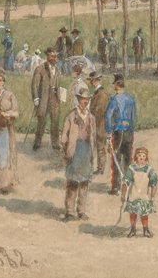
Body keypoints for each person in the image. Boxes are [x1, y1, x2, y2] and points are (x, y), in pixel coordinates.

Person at [60, 87, 97, 221]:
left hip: (86, 151)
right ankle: (70, 211)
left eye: (87, 100)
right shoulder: (71, 116)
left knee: (85, 182)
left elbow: (93, 136)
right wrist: (65, 149)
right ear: (78, 100)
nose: (85, 102)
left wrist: (93, 153)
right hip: (75, 151)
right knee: (72, 182)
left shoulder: (91, 117)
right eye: (83, 100)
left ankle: (81, 211)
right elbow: (64, 135)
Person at [104, 75, 137, 193]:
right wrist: (131, 129)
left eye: (114, 84)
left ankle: (116, 187)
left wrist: (108, 132)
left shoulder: (114, 100)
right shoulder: (131, 99)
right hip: (128, 132)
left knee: (116, 158)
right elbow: (133, 117)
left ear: (117, 85)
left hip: (118, 132)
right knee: (128, 159)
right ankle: (128, 185)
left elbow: (108, 117)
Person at [121, 146, 158, 238]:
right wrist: (123, 193)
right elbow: (126, 181)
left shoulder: (149, 169)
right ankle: (133, 229)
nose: (141, 157)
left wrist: (152, 195)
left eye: (143, 156)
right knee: (133, 213)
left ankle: (145, 230)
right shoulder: (132, 168)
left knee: (144, 214)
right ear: (135, 157)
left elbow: (154, 182)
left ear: (146, 158)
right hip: (133, 195)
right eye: (139, 155)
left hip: (144, 196)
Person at [31, 48, 61, 150]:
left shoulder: (57, 69)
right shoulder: (40, 68)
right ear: (47, 56)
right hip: (43, 98)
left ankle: (55, 143)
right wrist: (36, 98)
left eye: (55, 56)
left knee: (55, 121)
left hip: (54, 98)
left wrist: (59, 94)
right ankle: (37, 142)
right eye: (52, 56)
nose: (54, 58)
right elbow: (35, 84)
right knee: (41, 121)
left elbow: (57, 84)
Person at [88, 71, 109, 174]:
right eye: (91, 81)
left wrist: (89, 114)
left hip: (100, 125)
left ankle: (101, 169)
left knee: (100, 147)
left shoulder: (102, 94)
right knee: (96, 146)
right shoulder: (97, 92)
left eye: (92, 81)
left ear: (96, 81)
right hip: (96, 124)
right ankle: (98, 167)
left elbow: (99, 111)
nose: (91, 83)